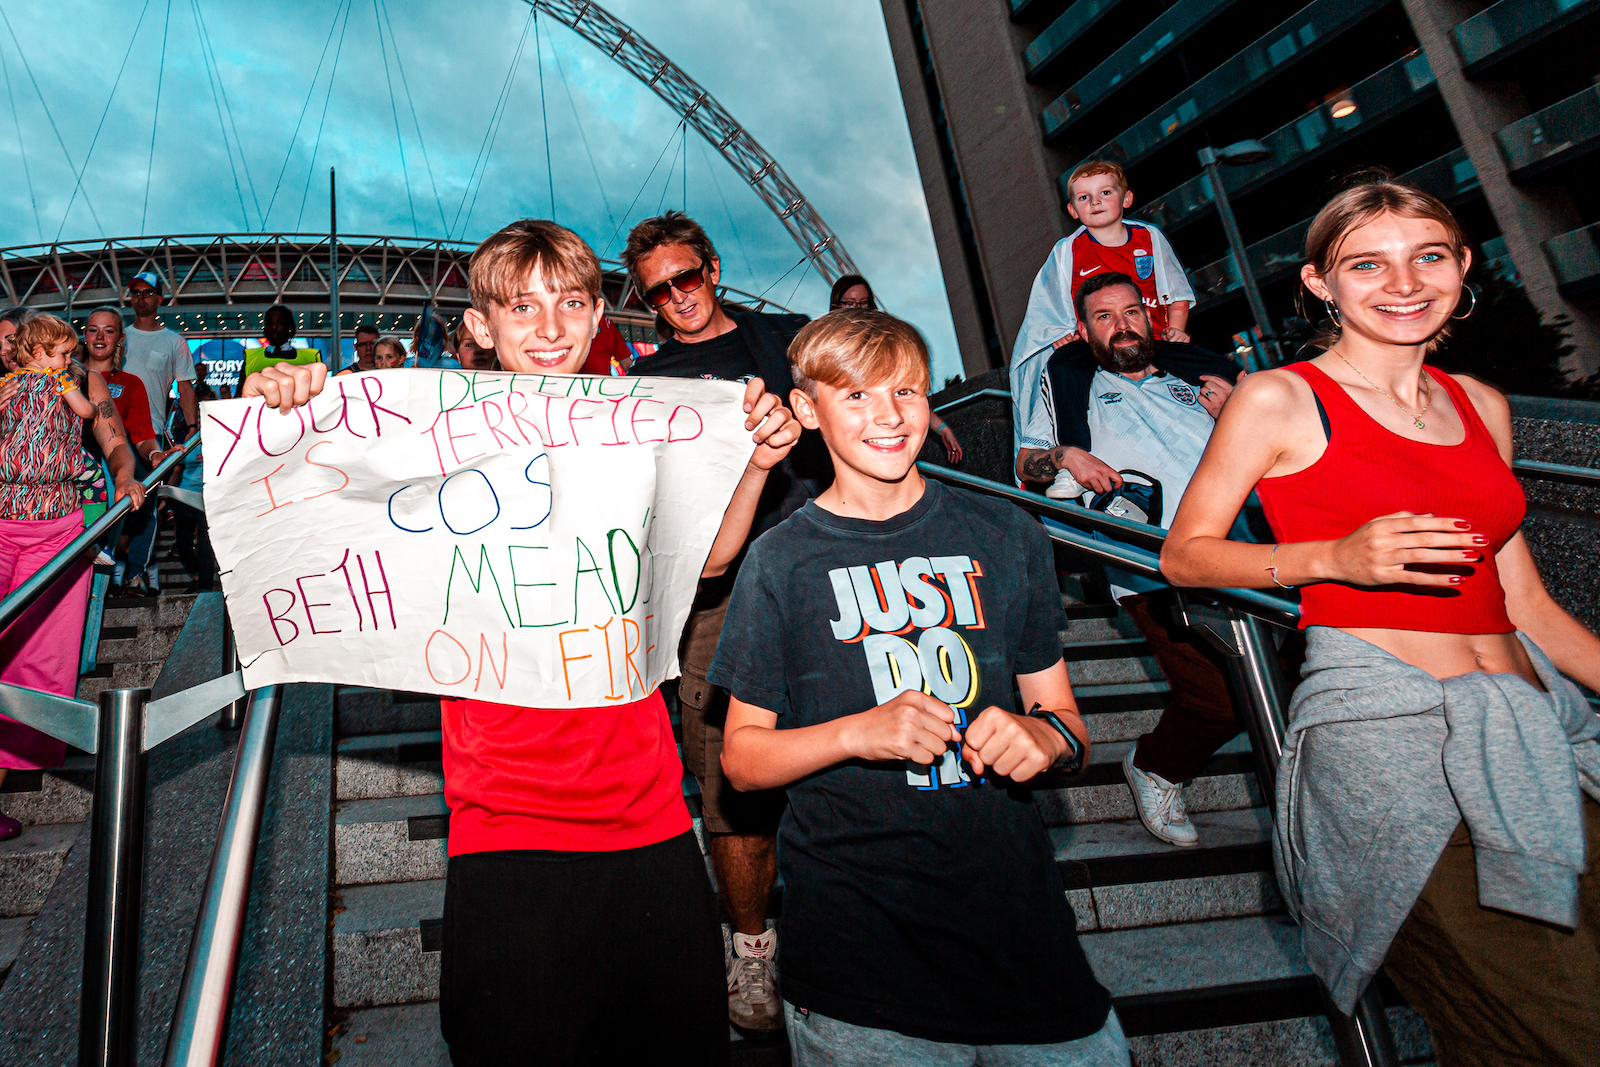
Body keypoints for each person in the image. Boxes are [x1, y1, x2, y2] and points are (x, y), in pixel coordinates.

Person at [243, 218, 800, 1066]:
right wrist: (294, 406)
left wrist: (757, 462)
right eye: (523, 306)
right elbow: (323, 497)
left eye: (571, 302)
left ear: (599, 314)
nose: (549, 327)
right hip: (507, 828)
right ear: (480, 326)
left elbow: (708, 558)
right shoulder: (430, 436)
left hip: (649, 819)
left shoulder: (637, 423)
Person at [1161, 178, 1600, 1066]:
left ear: (1462, 265)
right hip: (1394, 750)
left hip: (1539, 736)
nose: (1403, 281)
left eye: (1427, 255)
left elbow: (1529, 605)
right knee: (1552, 1023)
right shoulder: (1281, 398)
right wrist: (1334, 557)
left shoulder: (1482, 404)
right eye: (1368, 263)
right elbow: (1186, 554)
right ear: (1323, 282)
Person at [711, 309, 1126, 1066]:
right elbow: (740, 759)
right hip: (859, 964)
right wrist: (855, 733)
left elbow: (1066, 720)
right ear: (807, 411)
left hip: (1024, 940)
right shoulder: (779, 562)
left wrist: (1044, 737)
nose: (890, 415)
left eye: (906, 391)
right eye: (858, 396)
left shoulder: (1004, 530)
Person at [622, 210, 826, 1034]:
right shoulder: (650, 383)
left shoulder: (792, 338)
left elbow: (867, 398)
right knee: (730, 776)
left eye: (687, 276)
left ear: (713, 268)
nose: (678, 297)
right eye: (658, 290)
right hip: (715, 594)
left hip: (821, 569)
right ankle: (750, 945)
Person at [1015, 271, 1269, 848]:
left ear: (1150, 315)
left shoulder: (1195, 382)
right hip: (1151, 566)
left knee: (1299, 678)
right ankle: (1155, 766)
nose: (1120, 325)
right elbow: (1028, 462)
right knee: (1219, 699)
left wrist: (1243, 413)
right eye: (1103, 317)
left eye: (1130, 311)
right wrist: (1065, 455)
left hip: (1248, 552)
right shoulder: (1069, 382)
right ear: (1082, 330)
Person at [0, 314, 144, 839]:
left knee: (39, 658)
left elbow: (111, 436)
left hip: (56, 532)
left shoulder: (79, 380)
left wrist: (126, 472)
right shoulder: (8, 385)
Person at [1010, 161, 1195, 463]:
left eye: (1105, 192)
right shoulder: (1068, 250)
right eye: (1084, 197)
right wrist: (1062, 335)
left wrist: (1177, 329)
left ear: (1126, 199)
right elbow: (1049, 305)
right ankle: (1075, 452)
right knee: (1063, 367)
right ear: (1072, 210)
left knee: (1214, 368)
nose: (1095, 202)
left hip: (1154, 341)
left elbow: (1176, 293)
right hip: (1098, 347)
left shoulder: (1149, 238)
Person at [829, 275, 961, 464]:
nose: (857, 310)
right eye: (849, 304)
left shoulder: (882, 345)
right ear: (836, 306)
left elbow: (905, 395)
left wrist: (943, 429)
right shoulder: (830, 353)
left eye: (863, 303)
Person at [121, 271, 198, 594]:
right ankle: (110, 575)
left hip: (149, 433)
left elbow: (185, 388)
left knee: (145, 505)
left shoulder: (174, 342)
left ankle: (136, 573)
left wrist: (192, 430)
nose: (141, 298)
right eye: (135, 292)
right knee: (112, 504)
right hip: (108, 431)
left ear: (159, 300)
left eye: (147, 292)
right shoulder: (119, 336)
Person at [243, 304, 319, 381]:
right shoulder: (251, 358)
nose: (274, 327)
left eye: (279, 323)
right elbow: (241, 391)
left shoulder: (310, 358)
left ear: (289, 326)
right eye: (270, 323)